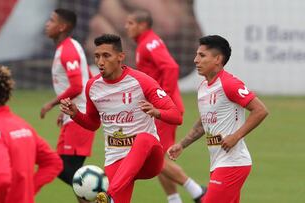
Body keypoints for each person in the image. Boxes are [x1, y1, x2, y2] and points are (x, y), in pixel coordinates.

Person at [60, 34, 183, 203]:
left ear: (120, 57)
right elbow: (92, 123)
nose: (100, 62)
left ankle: (110, 194)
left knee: (144, 138)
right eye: (97, 56)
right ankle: (111, 196)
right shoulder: (93, 87)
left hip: (149, 158)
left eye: (106, 56)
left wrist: (156, 112)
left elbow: (176, 116)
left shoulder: (142, 81)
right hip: (117, 160)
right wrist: (75, 114)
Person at [168, 35, 269, 203]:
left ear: (217, 59)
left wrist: (235, 136)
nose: (195, 60)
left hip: (233, 164)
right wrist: (182, 144)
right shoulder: (203, 88)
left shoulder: (229, 84)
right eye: (196, 55)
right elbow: (203, 123)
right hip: (218, 163)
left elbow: (260, 110)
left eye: (201, 55)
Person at [124, 9, 206, 203]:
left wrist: (164, 100)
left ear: (142, 25)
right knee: (156, 157)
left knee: (154, 158)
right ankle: (175, 199)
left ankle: (199, 192)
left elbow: (170, 67)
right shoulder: (144, 43)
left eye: (130, 23)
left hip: (164, 111)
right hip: (159, 110)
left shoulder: (149, 43)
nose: (126, 27)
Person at [0, 64, 63, 203]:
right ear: (6, 95)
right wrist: (26, 192)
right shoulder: (23, 126)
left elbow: (1, 178)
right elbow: (53, 163)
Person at [40, 9, 96, 202]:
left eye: (52, 20)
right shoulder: (70, 46)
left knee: (61, 168)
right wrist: (64, 109)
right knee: (75, 173)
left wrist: (51, 104)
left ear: (62, 26)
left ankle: (103, 195)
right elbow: (87, 75)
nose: (47, 24)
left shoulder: (68, 50)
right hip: (73, 115)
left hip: (78, 118)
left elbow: (77, 85)